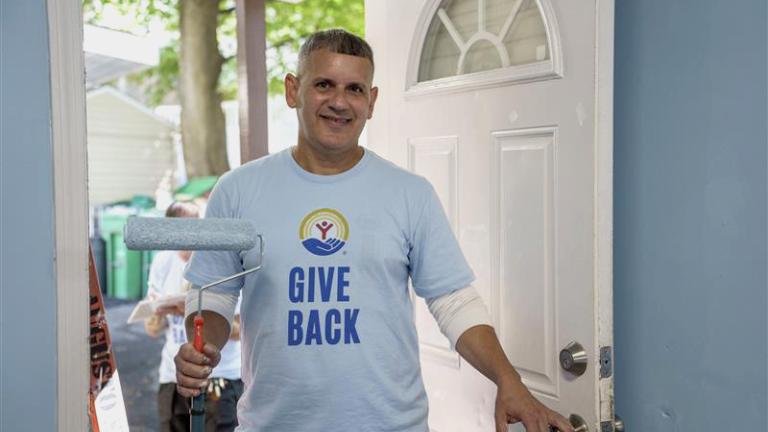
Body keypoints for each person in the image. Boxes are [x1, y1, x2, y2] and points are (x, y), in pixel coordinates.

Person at [174, 29, 574, 432]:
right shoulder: (238, 190)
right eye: (324, 84)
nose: (339, 102)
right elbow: (214, 294)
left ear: (372, 101)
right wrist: (202, 347)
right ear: (293, 90)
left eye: (355, 89)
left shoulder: (409, 193)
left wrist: (510, 381)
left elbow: (455, 303)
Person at [144, 201, 243, 432]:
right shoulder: (162, 260)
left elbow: (240, 331)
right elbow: (152, 330)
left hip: (219, 377)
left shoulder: (220, 259)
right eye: (178, 228)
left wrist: (191, 312)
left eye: (193, 225)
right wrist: (157, 310)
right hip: (172, 375)